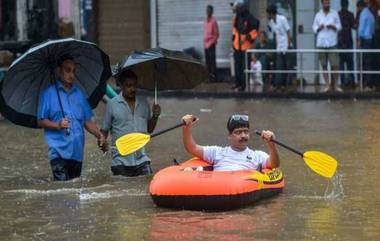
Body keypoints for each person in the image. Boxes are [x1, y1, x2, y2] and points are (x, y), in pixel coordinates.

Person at [37, 55, 107, 181]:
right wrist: (57, 125)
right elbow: (40, 120)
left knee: (74, 193)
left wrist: (100, 135)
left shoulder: (79, 94)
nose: (71, 75)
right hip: (58, 153)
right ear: (59, 71)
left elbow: (87, 121)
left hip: (77, 154)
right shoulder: (49, 94)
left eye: (74, 71)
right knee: (63, 191)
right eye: (67, 70)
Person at [101, 69, 161, 177]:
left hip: (142, 160)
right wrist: (102, 142)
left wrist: (155, 116)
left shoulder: (144, 103)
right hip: (120, 162)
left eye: (134, 85)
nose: (132, 89)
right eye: (128, 86)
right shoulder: (112, 104)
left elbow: (149, 129)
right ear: (121, 86)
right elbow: (104, 131)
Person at [181, 114, 280, 172]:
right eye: (238, 132)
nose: (243, 136)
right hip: (217, 186)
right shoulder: (217, 152)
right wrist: (186, 128)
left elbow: (274, 164)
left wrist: (271, 145)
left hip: (243, 187)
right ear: (229, 136)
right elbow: (192, 148)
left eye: (246, 132)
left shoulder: (257, 155)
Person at [312, 0, 342, 92]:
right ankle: (327, 85)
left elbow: (340, 26)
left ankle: (336, 85)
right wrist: (319, 28)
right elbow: (314, 28)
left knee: (335, 65)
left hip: (332, 42)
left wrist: (333, 26)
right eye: (325, 3)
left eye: (328, 3)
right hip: (321, 43)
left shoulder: (334, 13)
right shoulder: (318, 14)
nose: (327, 4)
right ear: (322, 4)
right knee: (324, 65)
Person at [231, 0, 259, 91]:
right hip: (237, 46)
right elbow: (234, 30)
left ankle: (243, 86)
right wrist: (233, 41)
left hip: (245, 47)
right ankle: (237, 83)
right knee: (237, 66)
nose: (236, 10)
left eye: (237, 8)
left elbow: (256, 27)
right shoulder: (237, 17)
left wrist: (249, 36)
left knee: (244, 67)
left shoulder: (249, 17)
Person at [267, 4, 292, 92]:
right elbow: (275, 33)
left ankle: (284, 84)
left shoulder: (282, 19)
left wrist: (288, 45)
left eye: (269, 14)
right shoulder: (271, 22)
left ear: (272, 13)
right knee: (278, 65)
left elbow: (288, 31)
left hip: (285, 44)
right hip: (278, 45)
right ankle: (277, 84)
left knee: (285, 65)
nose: (268, 16)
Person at [338, 0, 356, 89]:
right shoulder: (350, 15)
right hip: (348, 42)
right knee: (350, 64)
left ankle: (343, 83)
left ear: (341, 5)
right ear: (347, 5)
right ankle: (351, 82)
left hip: (340, 42)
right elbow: (354, 26)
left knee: (341, 64)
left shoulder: (337, 14)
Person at [358, 0, 375, 90]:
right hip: (370, 39)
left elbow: (361, 28)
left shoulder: (363, 14)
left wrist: (359, 39)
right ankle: (369, 83)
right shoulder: (370, 14)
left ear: (360, 7)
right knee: (369, 61)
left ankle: (366, 83)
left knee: (364, 61)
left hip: (365, 40)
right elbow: (372, 29)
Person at [203, 5, 219, 82]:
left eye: (209, 10)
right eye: (207, 10)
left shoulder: (214, 21)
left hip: (211, 44)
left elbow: (216, 34)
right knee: (207, 62)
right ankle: (208, 77)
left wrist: (213, 42)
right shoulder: (205, 21)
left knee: (212, 62)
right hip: (206, 45)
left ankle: (214, 78)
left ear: (212, 12)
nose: (208, 12)